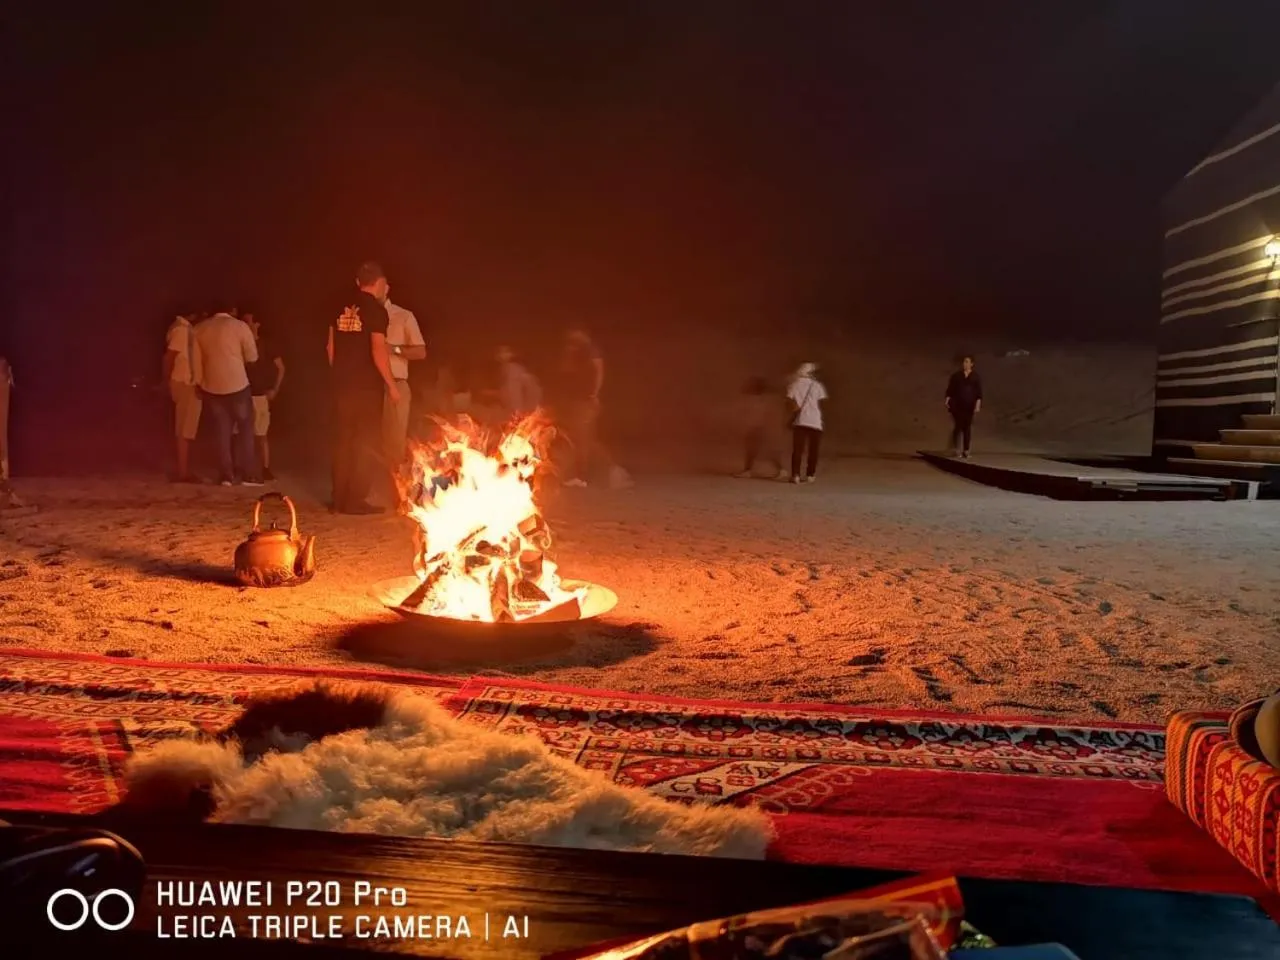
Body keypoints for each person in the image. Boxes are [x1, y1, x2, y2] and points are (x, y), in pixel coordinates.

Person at [326, 261, 400, 515]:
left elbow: (330, 348)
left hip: (341, 385)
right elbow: (378, 349)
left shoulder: (338, 306)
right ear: (379, 283)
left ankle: (338, 498)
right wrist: (391, 385)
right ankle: (356, 499)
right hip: (366, 387)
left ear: (358, 282)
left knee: (342, 440)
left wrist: (339, 374)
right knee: (365, 441)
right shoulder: (377, 311)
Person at [193, 307, 262, 487]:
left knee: (221, 431)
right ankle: (248, 474)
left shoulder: (199, 329)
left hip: (212, 386)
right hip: (237, 384)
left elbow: (196, 361)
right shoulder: (238, 326)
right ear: (231, 310)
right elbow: (252, 357)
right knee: (246, 429)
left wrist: (199, 383)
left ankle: (226, 475)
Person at [382, 295, 426, 467]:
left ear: (386, 289)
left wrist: (395, 349)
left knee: (395, 440)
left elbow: (420, 352)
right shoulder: (362, 316)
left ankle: (396, 486)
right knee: (368, 438)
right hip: (368, 385)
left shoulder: (403, 316)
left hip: (396, 382)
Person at [244, 314, 285, 482]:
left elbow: (281, 368)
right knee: (245, 434)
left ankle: (265, 468)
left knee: (261, 434)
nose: (245, 325)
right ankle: (249, 469)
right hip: (244, 394)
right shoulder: (242, 343)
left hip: (260, 394)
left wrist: (275, 389)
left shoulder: (266, 344)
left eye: (248, 322)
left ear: (257, 324)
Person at [162, 312, 202, 482]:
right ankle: (182, 472)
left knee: (187, 428)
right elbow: (169, 357)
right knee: (184, 429)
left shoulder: (184, 329)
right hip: (184, 382)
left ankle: (183, 469)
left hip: (186, 382)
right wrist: (167, 381)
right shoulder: (181, 330)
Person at [734, 376, 787, 479]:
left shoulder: (756, 400)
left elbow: (753, 416)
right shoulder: (764, 399)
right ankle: (780, 470)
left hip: (757, 428)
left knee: (753, 450)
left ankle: (748, 470)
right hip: (761, 428)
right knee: (760, 450)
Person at [786, 362, 826, 484]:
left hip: (800, 421)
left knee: (798, 450)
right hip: (815, 421)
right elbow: (821, 403)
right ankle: (810, 475)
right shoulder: (818, 386)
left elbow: (789, 401)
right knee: (813, 450)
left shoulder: (794, 385)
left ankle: (795, 475)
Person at [945, 354, 983, 458]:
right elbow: (950, 390)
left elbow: (979, 393)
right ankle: (955, 449)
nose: (965, 364)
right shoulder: (956, 376)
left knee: (967, 428)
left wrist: (977, 405)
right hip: (957, 405)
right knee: (958, 426)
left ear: (972, 364)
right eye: (964, 362)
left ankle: (966, 450)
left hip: (969, 406)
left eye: (967, 362)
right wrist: (947, 400)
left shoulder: (975, 377)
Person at [495, 345, 542, 419]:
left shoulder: (516, 368)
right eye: (501, 354)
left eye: (506, 353)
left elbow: (531, 385)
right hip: (509, 409)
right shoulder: (503, 369)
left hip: (518, 409)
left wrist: (531, 404)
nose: (503, 356)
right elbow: (504, 390)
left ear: (510, 355)